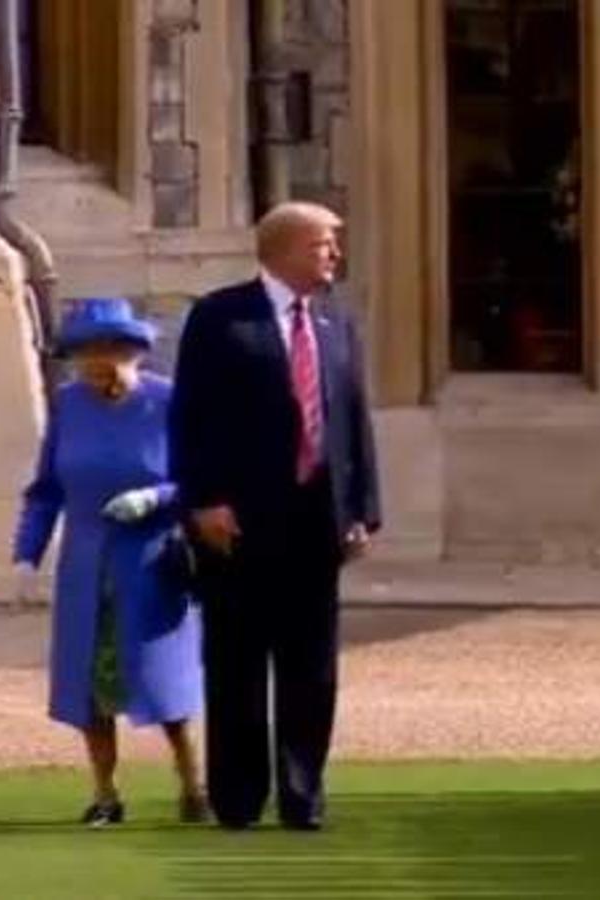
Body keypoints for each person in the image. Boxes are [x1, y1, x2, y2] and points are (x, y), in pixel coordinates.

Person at [170, 201, 380, 831]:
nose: (335, 257)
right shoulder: (219, 318)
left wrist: (362, 509)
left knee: (311, 669)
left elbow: (353, 421)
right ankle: (237, 799)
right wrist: (202, 499)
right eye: (324, 245)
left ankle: (302, 794)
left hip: (317, 520)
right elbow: (191, 418)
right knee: (237, 664)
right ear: (285, 250)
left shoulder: (335, 323)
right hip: (237, 522)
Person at [12, 297, 206, 827]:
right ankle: (105, 793)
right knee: (90, 688)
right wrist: (27, 550)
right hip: (85, 568)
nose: (100, 362)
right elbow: (47, 487)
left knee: (165, 683)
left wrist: (156, 498)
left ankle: (193, 785)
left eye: (112, 350)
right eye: (88, 352)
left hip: (151, 563)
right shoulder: (69, 405)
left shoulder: (168, 402)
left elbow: (200, 479)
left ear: (135, 352)